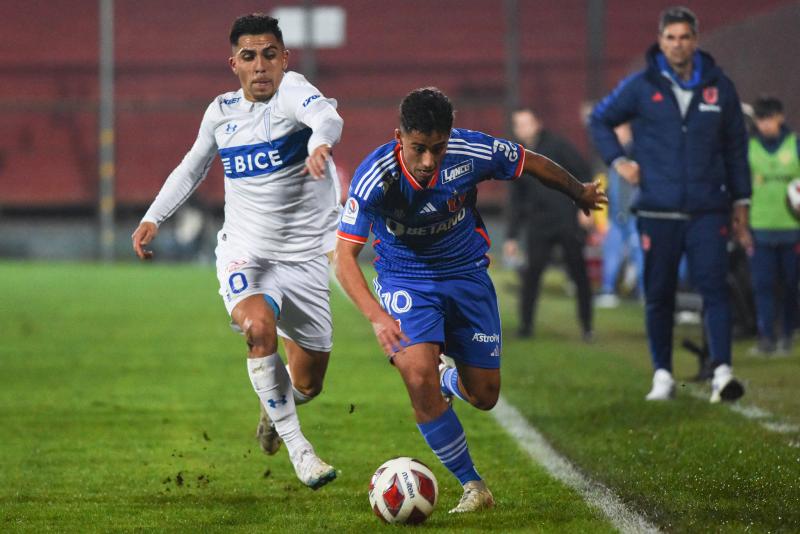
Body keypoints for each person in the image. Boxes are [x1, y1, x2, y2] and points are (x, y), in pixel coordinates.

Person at [334, 88, 606, 513]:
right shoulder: (376, 176)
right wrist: (375, 316)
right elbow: (344, 258)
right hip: (407, 281)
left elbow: (529, 161)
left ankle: (448, 379)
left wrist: (578, 192)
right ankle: (473, 485)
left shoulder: (470, 150)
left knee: (484, 395)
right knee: (417, 376)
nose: (428, 161)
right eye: (418, 149)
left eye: (437, 149)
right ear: (399, 137)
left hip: (467, 276)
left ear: (449, 138)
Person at [131, 13, 343, 489]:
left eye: (270, 54)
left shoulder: (293, 91)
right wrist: (153, 217)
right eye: (249, 56)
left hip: (304, 260)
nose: (261, 65)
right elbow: (191, 167)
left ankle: (274, 412)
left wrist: (322, 143)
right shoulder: (221, 113)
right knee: (257, 329)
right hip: (245, 253)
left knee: (308, 383)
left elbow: (326, 116)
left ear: (284, 58)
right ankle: (301, 450)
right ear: (234, 63)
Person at [589, 6, 752, 403]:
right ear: (661, 41)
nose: (678, 45)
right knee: (659, 293)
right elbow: (599, 119)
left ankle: (722, 372)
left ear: (695, 40)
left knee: (715, 290)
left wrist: (741, 202)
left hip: (708, 209)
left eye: (684, 37)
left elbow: (735, 148)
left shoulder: (720, 87)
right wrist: (619, 161)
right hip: (658, 211)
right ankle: (662, 374)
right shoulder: (641, 86)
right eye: (671, 38)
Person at [502, 108, 595, 341]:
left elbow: (583, 171)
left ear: (538, 123)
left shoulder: (558, 145)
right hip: (538, 223)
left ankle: (587, 327)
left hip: (566, 218)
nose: (521, 129)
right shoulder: (516, 155)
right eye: (518, 124)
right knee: (532, 275)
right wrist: (511, 236)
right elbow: (516, 199)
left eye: (526, 123)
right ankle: (525, 327)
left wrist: (586, 207)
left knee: (579, 273)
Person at [747, 96, 800, 356]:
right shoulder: (750, 149)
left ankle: (787, 335)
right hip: (760, 229)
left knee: (791, 285)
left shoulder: (795, 145)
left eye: (768, 118)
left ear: (780, 117)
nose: (764, 124)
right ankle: (766, 336)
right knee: (763, 286)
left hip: (792, 230)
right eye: (760, 120)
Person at [595, 122, 643, 308]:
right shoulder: (610, 155)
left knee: (640, 254)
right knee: (611, 252)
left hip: (634, 214)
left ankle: (644, 292)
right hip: (615, 215)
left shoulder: (637, 151)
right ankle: (608, 290)